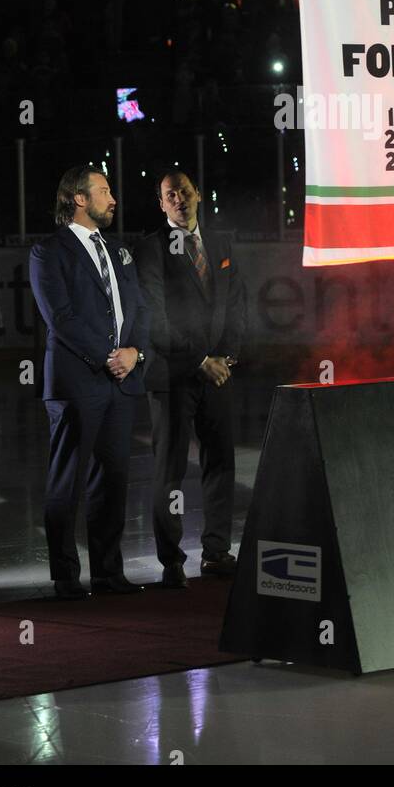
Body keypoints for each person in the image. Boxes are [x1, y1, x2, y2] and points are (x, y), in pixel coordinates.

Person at [29, 165, 151, 600]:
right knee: (69, 480)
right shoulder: (49, 252)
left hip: (121, 381)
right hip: (77, 381)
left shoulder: (119, 251)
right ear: (79, 199)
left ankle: (107, 572)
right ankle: (66, 575)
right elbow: (60, 318)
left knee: (113, 479)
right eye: (103, 191)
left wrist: (135, 353)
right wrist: (106, 355)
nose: (113, 198)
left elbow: (139, 310)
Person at [135, 168, 247, 588]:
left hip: (218, 375)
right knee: (171, 470)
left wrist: (226, 359)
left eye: (184, 191)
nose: (178, 199)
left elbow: (237, 306)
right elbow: (155, 319)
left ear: (197, 194)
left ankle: (217, 552)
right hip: (173, 378)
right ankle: (172, 560)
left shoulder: (221, 245)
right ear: (162, 204)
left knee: (221, 463)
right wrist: (201, 359)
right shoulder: (151, 249)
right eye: (170, 195)